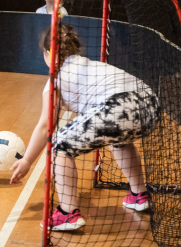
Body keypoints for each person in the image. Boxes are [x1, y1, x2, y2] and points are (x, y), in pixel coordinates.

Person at [10, 24, 158, 231]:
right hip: (151, 106)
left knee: (59, 145)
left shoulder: (56, 79)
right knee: (118, 140)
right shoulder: (90, 66)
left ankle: (67, 213)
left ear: (47, 54)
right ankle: (139, 194)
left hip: (118, 107)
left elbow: (46, 126)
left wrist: (26, 160)